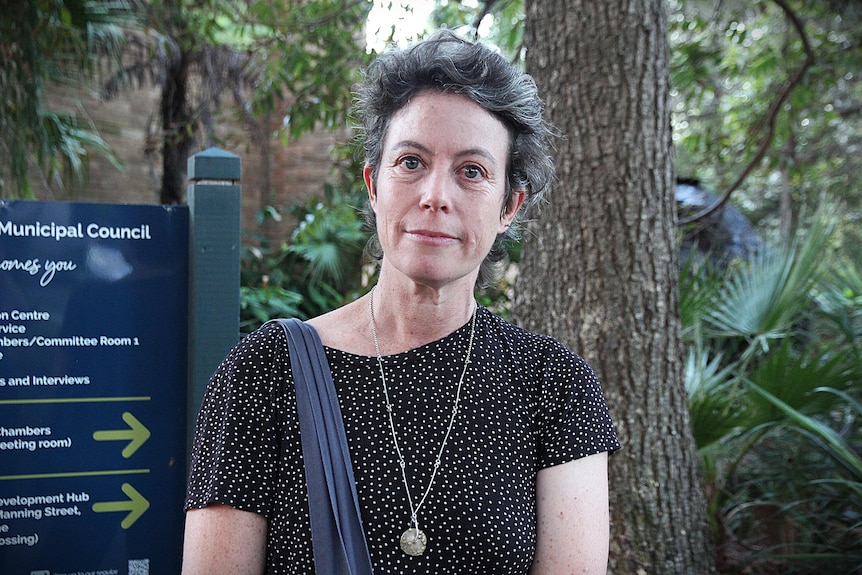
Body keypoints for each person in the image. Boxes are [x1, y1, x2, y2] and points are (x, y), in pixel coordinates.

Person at [181, 29, 621, 574]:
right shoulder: (263, 373)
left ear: (510, 204)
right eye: (411, 161)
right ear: (373, 183)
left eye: (472, 171)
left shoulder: (553, 386)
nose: (436, 195)